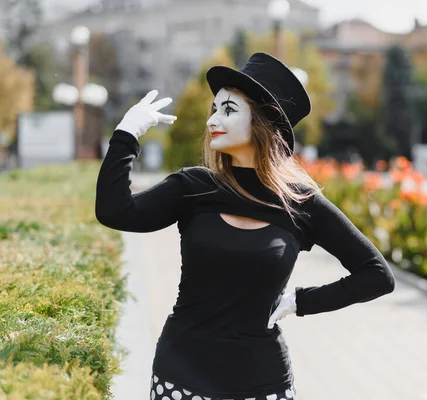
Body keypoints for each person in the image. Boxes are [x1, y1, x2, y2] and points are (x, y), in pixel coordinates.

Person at [96, 52, 395, 400]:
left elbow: (376, 274)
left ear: (262, 122)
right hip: (182, 375)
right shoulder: (193, 187)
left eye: (229, 110)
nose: (212, 121)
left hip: (263, 384)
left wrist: (300, 301)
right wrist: (126, 133)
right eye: (215, 109)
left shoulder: (299, 203)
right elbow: (114, 211)